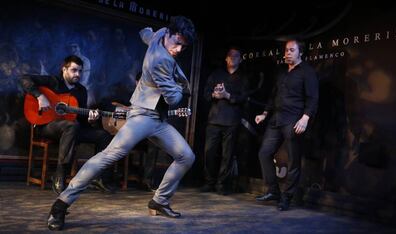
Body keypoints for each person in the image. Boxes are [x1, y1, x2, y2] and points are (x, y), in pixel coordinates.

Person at [46, 15, 196, 230]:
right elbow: (174, 99)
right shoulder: (159, 61)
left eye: (184, 45)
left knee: (186, 156)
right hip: (143, 116)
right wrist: (182, 88)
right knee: (108, 156)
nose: (179, 49)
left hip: (158, 119)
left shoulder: (162, 33)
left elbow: (147, 33)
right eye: (178, 43)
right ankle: (60, 205)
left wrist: (148, 35)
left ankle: (159, 200)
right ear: (171, 35)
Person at [19, 55, 115, 195]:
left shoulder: (81, 91)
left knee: (104, 135)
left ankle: (100, 178)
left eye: (80, 71)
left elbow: (80, 119)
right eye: (74, 70)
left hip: (71, 129)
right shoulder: (53, 82)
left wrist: (90, 120)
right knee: (71, 126)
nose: (78, 74)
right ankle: (60, 175)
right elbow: (24, 79)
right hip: (46, 126)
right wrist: (40, 96)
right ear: (64, 69)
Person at [254, 39, 319, 211]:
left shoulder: (307, 72)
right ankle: (273, 191)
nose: (287, 53)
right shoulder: (282, 71)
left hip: (294, 119)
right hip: (276, 118)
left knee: (293, 161)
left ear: (300, 52)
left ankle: (287, 197)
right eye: (286, 50)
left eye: (291, 50)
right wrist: (265, 113)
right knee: (264, 153)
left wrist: (305, 118)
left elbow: (313, 98)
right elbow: (273, 95)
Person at [200, 47, 249, 195]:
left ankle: (222, 184)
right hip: (214, 119)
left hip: (232, 120)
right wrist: (215, 94)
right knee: (209, 152)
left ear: (240, 59)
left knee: (227, 155)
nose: (232, 58)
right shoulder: (217, 74)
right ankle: (209, 182)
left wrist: (227, 95)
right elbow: (206, 93)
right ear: (226, 58)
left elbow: (243, 98)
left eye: (236, 56)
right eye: (230, 56)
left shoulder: (243, 78)